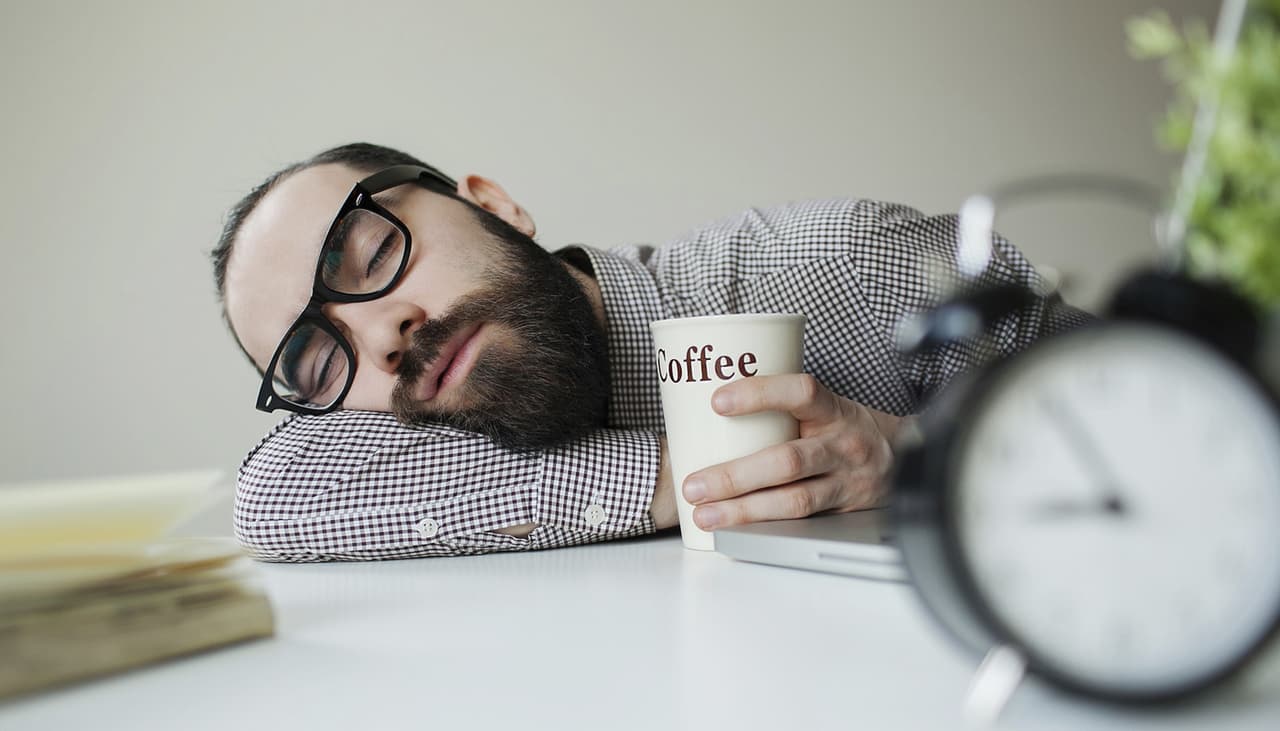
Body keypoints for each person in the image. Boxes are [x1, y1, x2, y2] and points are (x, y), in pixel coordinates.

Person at [213, 142, 1089, 562]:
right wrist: (689, 473)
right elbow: (272, 494)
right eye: (320, 362)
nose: (380, 337)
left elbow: (1149, 414)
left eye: (374, 255)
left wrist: (921, 458)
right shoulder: (403, 438)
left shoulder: (852, 264)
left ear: (495, 205)